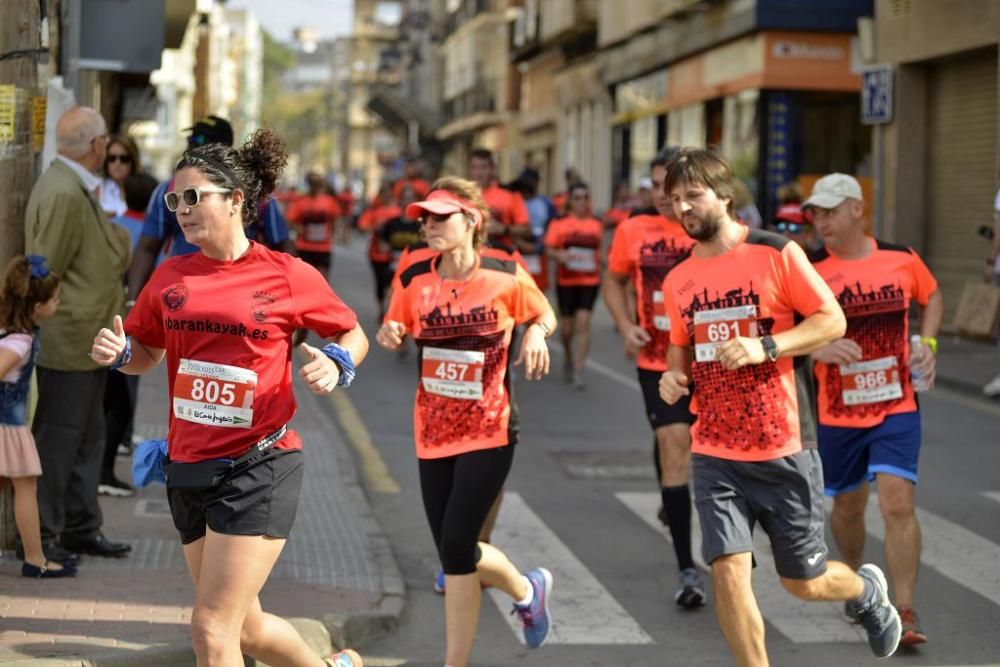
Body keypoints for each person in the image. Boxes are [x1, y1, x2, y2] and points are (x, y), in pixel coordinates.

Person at [90, 129, 369, 667]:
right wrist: (121, 352)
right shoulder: (171, 274)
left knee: (211, 630)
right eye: (175, 200)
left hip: (259, 463)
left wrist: (338, 363)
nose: (182, 211)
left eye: (194, 198)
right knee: (248, 630)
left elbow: (351, 331)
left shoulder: (285, 274)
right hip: (188, 463)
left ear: (236, 199)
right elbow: (148, 351)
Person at [658, 148, 901, 664]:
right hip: (715, 448)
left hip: (783, 444)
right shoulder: (677, 280)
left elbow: (831, 321)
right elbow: (681, 344)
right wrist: (673, 375)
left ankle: (862, 591)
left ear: (725, 196)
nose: (683, 208)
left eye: (693, 196)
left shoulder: (775, 253)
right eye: (675, 199)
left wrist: (765, 346)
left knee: (804, 582)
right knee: (726, 568)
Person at [376, 177, 558, 667]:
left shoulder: (503, 271)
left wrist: (536, 334)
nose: (428, 225)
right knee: (455, 557)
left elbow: (543, 313)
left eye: (441, 217)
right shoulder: (413, 272)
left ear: (472, 221)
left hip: (490, 428)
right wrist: (390, 332)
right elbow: (394, 323)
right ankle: (527, 588)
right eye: (425, 217)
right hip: (432, 431)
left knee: (459, 544)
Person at [803, 173, 943, 647]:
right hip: (838, 410)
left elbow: (933, 295)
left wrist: (927, 342)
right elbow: (783, 325)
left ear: (857, 210)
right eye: (815, 214)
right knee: (847, 507)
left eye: (829, 211)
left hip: (896, 402)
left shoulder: (901, 259)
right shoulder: (809, 268)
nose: (820, 221)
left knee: (898, 501)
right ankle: (859, 584)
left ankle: (904, 609)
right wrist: (815, 350)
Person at [24, 105, 132, 562]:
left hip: (88, 340)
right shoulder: (66, 192)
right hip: (69, 339)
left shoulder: (74, 186)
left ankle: (80, 526)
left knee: (87, 436)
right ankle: (47, 535)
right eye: (105, 140)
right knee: (60, 439)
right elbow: (45, 270)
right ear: (96, 146)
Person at [603, 151, 703, 607]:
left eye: (675, 187)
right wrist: (626, 326)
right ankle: (687, 568)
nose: (665, 197)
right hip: (658, 360)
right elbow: (614, 280)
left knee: (691, 448)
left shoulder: (704, 226)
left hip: (712, 362)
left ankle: (673, 493)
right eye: (659, 186)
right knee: (674, 441)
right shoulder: (633, 229)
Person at [128, 116, 296, 308]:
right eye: (190, 140)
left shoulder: (256, 194)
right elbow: (148, 247)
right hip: (181, 298)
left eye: (199, 140)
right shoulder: (168, 191)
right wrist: (133, 302)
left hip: (239, 297)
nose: (191, 146)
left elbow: (282, 244)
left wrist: (291, 302)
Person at [0, 256, 75, 578]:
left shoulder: (7, 331)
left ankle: (35, 557)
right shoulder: (20, 341)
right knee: (26, 488)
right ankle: (35, 558)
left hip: (9, 425)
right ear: (37, 306)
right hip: (9, 426)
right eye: (55, 299)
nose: (58, 304)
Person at [101, 172, 160, 497]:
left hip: (115, 324)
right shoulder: (153, 237)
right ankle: (105, 468)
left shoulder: (114, 225)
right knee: (121, 398)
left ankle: (107, 463)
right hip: (130, 327)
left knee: (115, 396)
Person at [545, 182, 603, 389]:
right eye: (577, 198)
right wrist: (558, 255)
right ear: (570, 200)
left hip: (590, 281)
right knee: (567, 329)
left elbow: (602, 251)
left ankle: (579, 370)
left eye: (585, 197)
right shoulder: (560, 224)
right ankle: (569, 356)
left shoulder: (596, 224)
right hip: (567, 281)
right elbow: (548, 249)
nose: (582, 202)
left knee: (584, 323)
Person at [467, 148, 533, 254]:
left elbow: (527, 230)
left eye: (483, 167)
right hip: (470, 255)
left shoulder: (510, 195)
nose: (479, 173)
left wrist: (503, 229)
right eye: (475, 167)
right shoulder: (461, 195)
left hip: (501, 255)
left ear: (492, 169)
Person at [287, 171, 343, 278]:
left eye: (318, 184)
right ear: (309, 185)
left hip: (323, 247)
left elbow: (336, 218)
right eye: (313, 184)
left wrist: (334, 232)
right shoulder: (301, 202)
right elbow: (290, 220)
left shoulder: (330, 202)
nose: (315, 187)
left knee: (323, 279)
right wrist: (298, 229)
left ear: (322, 185)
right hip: (304, 246)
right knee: (305, 280)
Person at [511, 168, 556, 290]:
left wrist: (541, 245)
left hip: (539, 247)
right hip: (518, 246)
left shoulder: (545, 203)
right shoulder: (515, 200)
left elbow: (552, 226)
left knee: (538, 287)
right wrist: (519, 242)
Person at [100, 135, 142, 217]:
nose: (117, 163)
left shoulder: (144, 190)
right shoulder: (97, 189)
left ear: (133, 161)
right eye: (112, 158)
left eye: (124, 158)